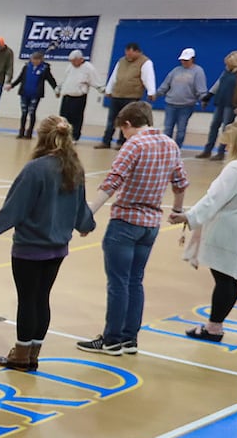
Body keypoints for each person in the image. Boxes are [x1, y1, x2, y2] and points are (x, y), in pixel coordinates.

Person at [0, 116, 95, 370]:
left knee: (27, 300)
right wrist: (85, 225)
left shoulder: (35, 169)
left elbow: (14, 208)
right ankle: (34, 353)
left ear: (42, 137)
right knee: (42, 299)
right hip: (58, 249)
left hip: (30, 248)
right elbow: (81, 207)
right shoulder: (74, 168)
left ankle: (21, 355)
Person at [77, 101, 188, 356]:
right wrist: (178, 211)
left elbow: (113, 181)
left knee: (118, 283)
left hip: (126, 221)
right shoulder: (171, 144)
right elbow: (180, 182)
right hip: (151, 225)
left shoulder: (134, 145)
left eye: (122, 130)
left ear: (128, 124)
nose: (123, 135)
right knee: (135, 281)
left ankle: (111, 339)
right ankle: (130, 339)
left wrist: (88, 214)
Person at [170, 120, 237, 340]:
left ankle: (214, 327)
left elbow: (214, 198)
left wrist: (189, 216)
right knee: (231, 279)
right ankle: (215, 325)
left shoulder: (236, 168)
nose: (226, 148)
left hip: (227, 229)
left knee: (224, 279)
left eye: (228, 144)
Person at [100, 43, 155, 149]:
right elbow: (114, 76)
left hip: (132, 96)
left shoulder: (145, 62)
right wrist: (108, 89)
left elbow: (148, 77)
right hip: (117, 95)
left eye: (130, 54)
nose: (128, 56)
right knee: (111, 120)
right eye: (126, 53)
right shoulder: (121, 61)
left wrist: (151, 92)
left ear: (137, 52)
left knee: (127, 121)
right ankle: (106, 141)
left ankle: (122, 143)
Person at [156, 48, 208, 147]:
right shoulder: (176, 70)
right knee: (168, 128)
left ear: (192, 59)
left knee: (181, 130)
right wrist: (157, 94)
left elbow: (201, 89)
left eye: (186, 60)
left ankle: (176, 148)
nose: (184, 62)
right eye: (182, 60)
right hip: (171, 104)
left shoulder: (198, 71)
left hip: (186, 106)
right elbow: (165, 85)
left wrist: (203, 99)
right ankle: (165, 148)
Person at [198, 51, 237, 161]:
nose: (227, 65)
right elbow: (218, 84)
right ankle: (208, 149)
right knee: (214, 126)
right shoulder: (226, 72)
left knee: (226, 128)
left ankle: (221, 151)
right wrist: (208, 96)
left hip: (231, 104)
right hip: (220, 102)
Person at [9, 51, 58, 140]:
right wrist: (12, 85)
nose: (34, 61)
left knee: (32, 112)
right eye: (33, 59)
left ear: (40, 60)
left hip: (35, 94)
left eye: (37, 59)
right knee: (24, 113)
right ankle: (21, 131)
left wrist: (56, 88)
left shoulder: (44, 68)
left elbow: (51, 80)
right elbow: (20, 78)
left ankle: (29, 132)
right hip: (24, 93)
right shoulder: (26, 67)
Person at [57, 50, 102, 142]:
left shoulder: (89, 68)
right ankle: (63, 136)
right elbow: (65, 79)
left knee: (76, 118)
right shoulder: (70, 67)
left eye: (74, 61)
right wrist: (58, 89)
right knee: (63, 117)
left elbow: (96, 81)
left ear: (80, 59)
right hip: (66, 95)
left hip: (78, 97)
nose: (72, 63)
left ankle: (74, 137)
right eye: (71, 61)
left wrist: (103, 90)